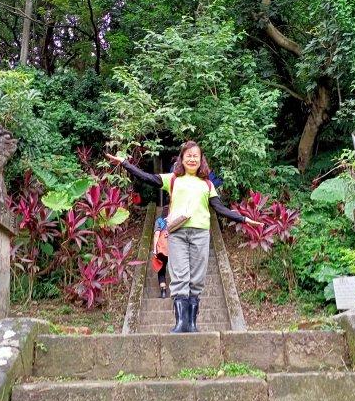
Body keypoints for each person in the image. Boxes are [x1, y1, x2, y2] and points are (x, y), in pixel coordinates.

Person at [106, 141, 263, 333]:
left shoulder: (207, 184)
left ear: (201, 159)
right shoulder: (173, 179)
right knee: (179, 276)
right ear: (181, 158)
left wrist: (245, 219)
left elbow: (220, 208)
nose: (191, 159)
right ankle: (181, 323)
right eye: (188, 155)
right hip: (177, 233)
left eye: (195, 155)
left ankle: (192, 324)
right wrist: (125, 163)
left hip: (201, 234)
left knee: (196, 279)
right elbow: (147, 178)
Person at [152, 205, 170, 298]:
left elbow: (156, 235)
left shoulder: (159, 220)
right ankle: (178, 292)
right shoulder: (173, 220)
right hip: (173, 247)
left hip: (161, 248)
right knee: (175, 269)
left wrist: (155, 250)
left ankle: (163, 291)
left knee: (161, 269)